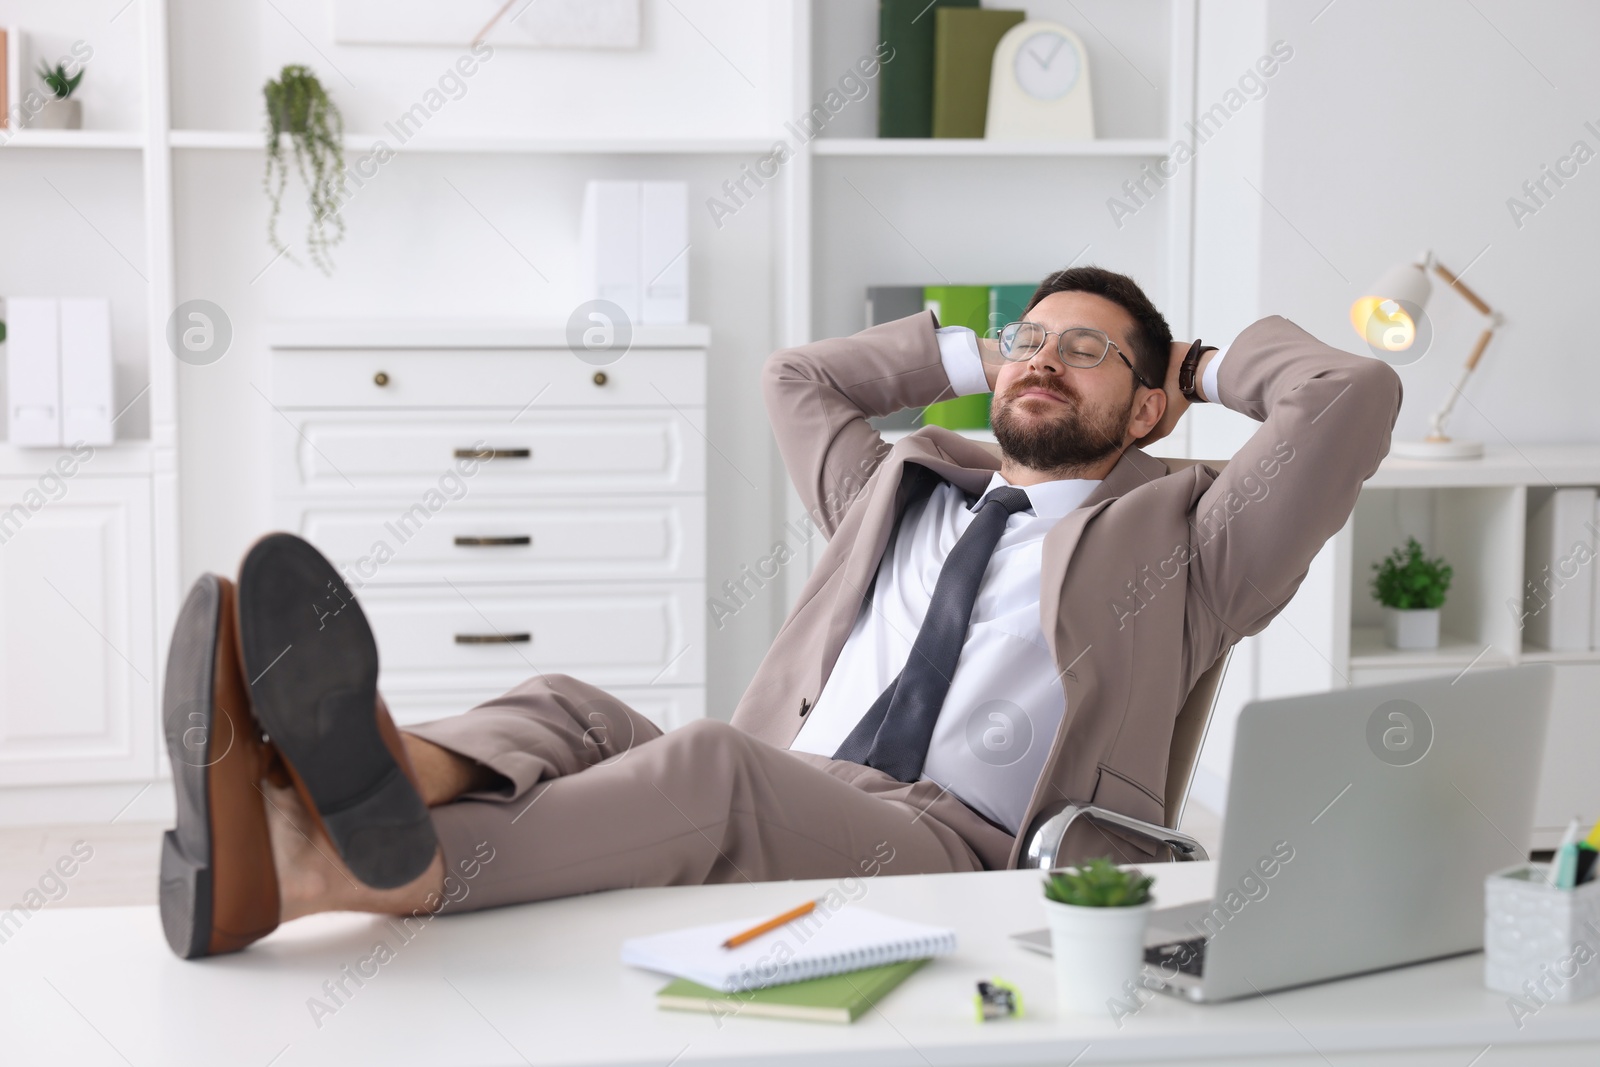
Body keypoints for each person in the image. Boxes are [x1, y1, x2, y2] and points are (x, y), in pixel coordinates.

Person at [158, 266, 1402, 959]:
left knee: (708, 765)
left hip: (968, 843)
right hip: (809, 780)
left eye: (1084, 351)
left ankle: (324, 865)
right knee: (566, 704)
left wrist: (1197, 365)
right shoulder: (896, 483)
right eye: (1027, 338)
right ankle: (353, 776)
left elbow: (1348, 393)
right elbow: (794, 375)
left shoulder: (1198, 539)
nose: (1039, 358)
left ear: (1145, 409)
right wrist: (967, 348)